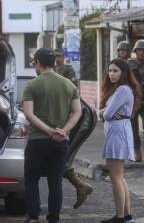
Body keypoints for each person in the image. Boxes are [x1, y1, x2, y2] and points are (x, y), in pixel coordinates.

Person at [23, 48, 82, 223]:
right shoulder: (69, 85)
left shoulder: (32, 85)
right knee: (55, 181)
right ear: (54, 63)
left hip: (37, 141)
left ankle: (33, 217)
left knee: (32, 179)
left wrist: (48, 130)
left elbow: (28, 114)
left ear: (38, 64)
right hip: (61, 141)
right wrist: (63, 131)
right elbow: (77, 112)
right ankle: (53, 218)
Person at [99, 59, 141, 223]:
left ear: (123, 72)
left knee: (116, 177)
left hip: (117, 132)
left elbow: (107, 114)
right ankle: (126, 215)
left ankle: (120, 217)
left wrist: (105, 112)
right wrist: (105, 111)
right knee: (119, 177)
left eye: (115, 71)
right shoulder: (119, 89)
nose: (111, 74)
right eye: (110, 71)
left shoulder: (123, 90)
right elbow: (103, 112)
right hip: (118, 130)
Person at [54, 47, 93, 209]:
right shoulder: (52, 69)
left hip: (64, 114)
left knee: (57, 157)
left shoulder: (67, 70)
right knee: (57, 158)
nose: (58, 59)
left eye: (60, 56)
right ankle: (80, 186)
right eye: (55, 56)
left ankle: (79, 187)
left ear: (63, 57)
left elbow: (72, 90)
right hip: (59, 114)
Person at [127, 39, 144, 162]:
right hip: (134, 101)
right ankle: (136, 151)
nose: (142, 52)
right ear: (135, 51)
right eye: (139, 50)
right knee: (133, 128)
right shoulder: (129, 65)